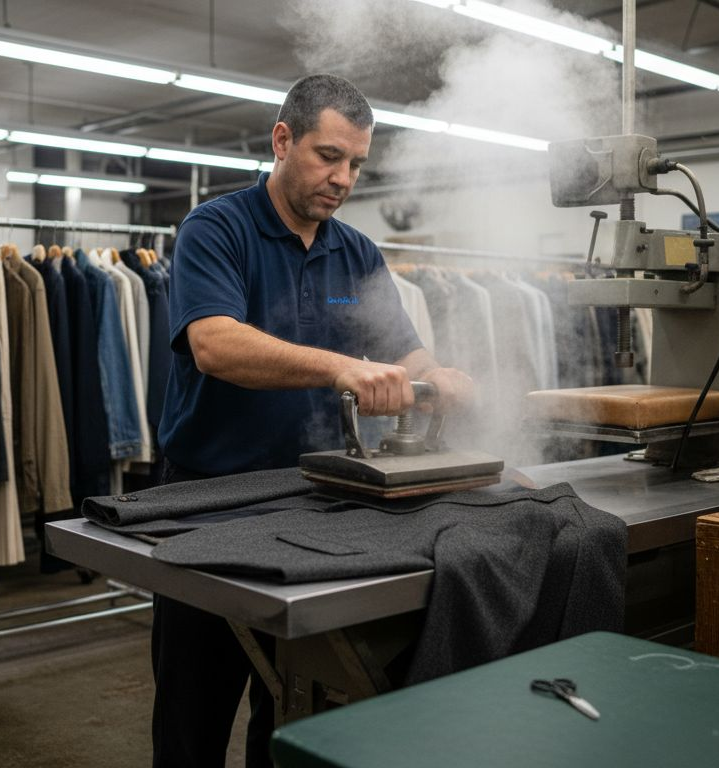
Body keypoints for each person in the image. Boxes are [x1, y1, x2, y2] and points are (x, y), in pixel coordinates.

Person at [153, 74, 475, 767]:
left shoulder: (355, 251)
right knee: (193, 713)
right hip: (208, 503)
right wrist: (339, 367)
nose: (343, 178)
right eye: (329, 156)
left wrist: (437, 377)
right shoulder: (217, 229)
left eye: (356, 164)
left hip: (316, 506)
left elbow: (403, 349)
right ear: (282, 140)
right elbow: (213, 342)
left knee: (293, 706)